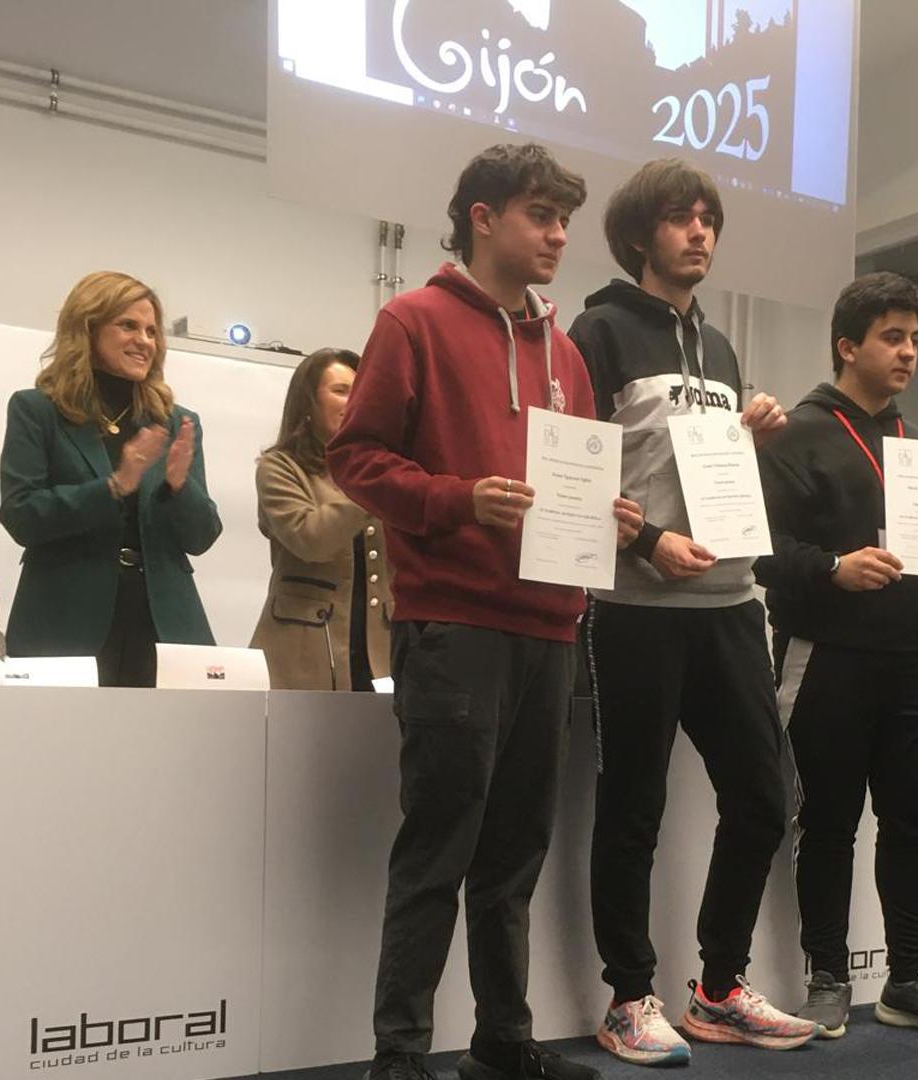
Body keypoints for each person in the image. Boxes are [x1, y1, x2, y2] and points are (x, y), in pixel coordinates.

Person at [328, 142, 641, 1080]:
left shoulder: (568, 353)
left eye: (563, 222)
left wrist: (609, 515)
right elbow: (359, 459)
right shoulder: (412, 320)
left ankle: (504, 1041)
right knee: (439, 845)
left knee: (514, 854)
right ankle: (400, 1053)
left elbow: (575, 475)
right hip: (454, 623)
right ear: (482, 217)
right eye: (541, 217)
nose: (557, 237)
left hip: (550, 623)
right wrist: (459, 499)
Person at [568, 158, 812, 1066]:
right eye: (680, 218)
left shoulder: (720, 348)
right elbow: (575, 476)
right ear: (641, 236)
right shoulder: (597, 332)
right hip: (635, 606)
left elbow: (708, 472)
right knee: (633, 806)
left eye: (708, 218)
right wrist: (645, 543)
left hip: (727, 603)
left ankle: (717, 990)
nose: (699, 232)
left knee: (762, 795)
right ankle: (629, 997)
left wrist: (750, 438)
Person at [754, 271, 918, 1040]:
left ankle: (910, 977)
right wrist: (833, 567)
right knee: (828, 822)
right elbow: (761, 551)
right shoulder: (795, 435)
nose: (909, 353)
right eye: (892, 337)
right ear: (847, 345)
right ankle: (827, 976)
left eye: (915, 339)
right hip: (829, 653)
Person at [0, 271, 221, 688]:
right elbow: (20, 514)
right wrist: (114, 486)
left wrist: (177, 485)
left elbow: (202, 536)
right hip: (63, 617)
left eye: (152, 331)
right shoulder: (37, 411)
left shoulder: (177, 423)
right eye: (128, 326)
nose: (145, 341)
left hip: (163, 621)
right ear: (87, 328)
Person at [250, 347, 393, 691]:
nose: (353, 402)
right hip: (304, 651)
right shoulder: (280, 467)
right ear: (308, 405)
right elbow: (311, 540)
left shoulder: (382, 467)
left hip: (382, 650)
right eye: (341, 391)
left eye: (359, 392)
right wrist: (372, 483)